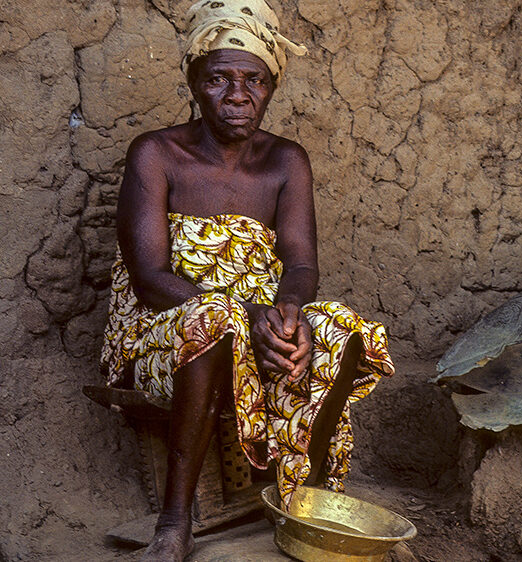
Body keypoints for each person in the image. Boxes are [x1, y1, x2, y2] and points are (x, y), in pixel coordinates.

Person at [99, 1, 394, 560]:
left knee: (346, 329)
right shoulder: (157, 154)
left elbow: (302, 265)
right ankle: (174, 522)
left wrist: (288, 314)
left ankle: (306, 503)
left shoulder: (285, 161)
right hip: (165, 334)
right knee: (214, 322)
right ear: (192, 82)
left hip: (257, 327)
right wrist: (244, 316)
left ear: (272, 86)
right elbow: (149, 279)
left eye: (254, 80)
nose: (238, 96)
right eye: (219, 80)